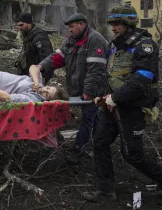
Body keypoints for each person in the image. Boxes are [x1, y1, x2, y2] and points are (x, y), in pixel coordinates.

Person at [82, 5, 162, 202]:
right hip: (111, 106)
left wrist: (115, 98)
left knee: (132, 154)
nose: (113, 28)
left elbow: (142, 79)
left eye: (116, 24)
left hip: (132, 108)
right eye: (112, 24)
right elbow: (112, 75)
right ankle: (105, 191)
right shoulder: (116, 45)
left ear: (128, 23)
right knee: (100, 143)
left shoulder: (145, 46)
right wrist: (103, 95)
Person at [30, 13, 109, 163]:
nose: (70, 30)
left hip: (94, 89)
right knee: (95, 117)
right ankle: (99, 143)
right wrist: (40, 66)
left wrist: (89, 92)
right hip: (78, 88)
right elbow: (56, 58)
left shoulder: (95, 40)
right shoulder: (71, 41)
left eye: (72, 27)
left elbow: (96, 69)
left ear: (82, 24)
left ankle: (80, 149)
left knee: (87, 118)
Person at [15, 13, 53, 84]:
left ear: (29, 23)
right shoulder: (27, 34)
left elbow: (47, 58)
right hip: (28, 73)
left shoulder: (39, 37)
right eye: (18, 25)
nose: (19, 28)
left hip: (37, 74)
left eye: (21, 25)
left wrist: (41, 77)